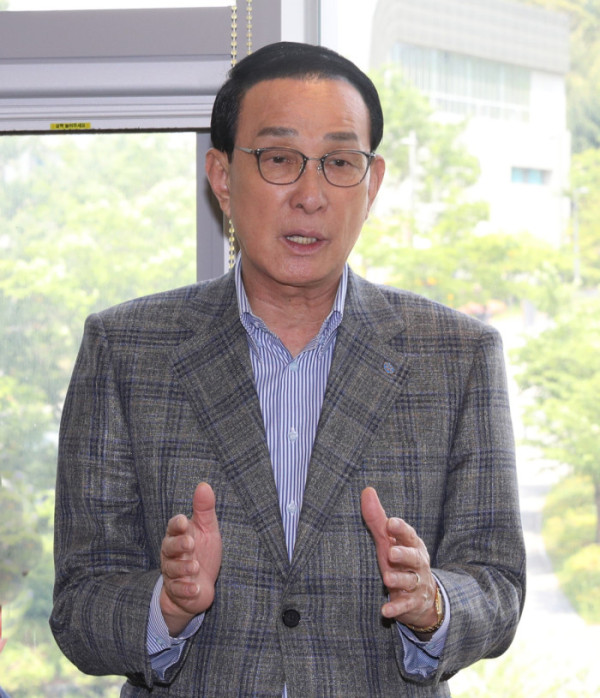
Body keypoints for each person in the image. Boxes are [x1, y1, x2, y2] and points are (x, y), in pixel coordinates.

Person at [50, 42, 525, 697]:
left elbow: (497, 586)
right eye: (279, 159)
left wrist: (433, 601)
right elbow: (79, 603)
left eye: (339, 162)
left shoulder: (457, 355)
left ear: (372, 184)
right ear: (222, 176)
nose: (310, 195)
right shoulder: (125, 349)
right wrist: (168, 603)